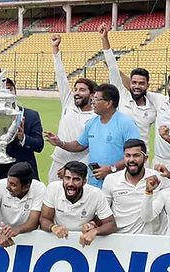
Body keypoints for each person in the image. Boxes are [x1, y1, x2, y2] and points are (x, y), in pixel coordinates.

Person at [45, 84, 140, 188]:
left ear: (108, 103)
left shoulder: (127, 123)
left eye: (96, 99)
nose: (92, 102)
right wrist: (60, 143)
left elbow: (135, 155)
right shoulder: (92, 123)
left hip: (119, 184)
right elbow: (79, 145)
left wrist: (111, 169)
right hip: (94, 183)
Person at [48, 33, 97, 182]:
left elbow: (91, 149)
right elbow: (61, 77)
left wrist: (72, 169)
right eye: (76, 89)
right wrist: (55, 50)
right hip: (58, 161)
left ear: (92, 94)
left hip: (79, 168)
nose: (77, 93)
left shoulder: (96, 117)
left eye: (82, 90)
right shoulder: (69, 103)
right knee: (51, 199)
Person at [99, 23, 157, 144]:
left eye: (141, 83)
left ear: (147, 86)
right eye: (134, 82)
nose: (137, 86)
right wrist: (105, 38)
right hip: (120, 154)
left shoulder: (154, 106)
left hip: (141, 157)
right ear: (129, 83)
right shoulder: (122, 95)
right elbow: (113, 67)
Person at [102, 138, 170, 234]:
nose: (131, 160)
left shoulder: (157, 177)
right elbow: (103, 212)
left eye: (136, 155)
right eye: (128, 156)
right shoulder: (111, 180)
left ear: (145, 158)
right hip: (119, 241)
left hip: (149, 242)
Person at [40, 161, 116, 247]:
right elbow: (44, 219)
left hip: (84, 243)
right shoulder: (53, 188)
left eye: (76, 179)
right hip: (57, 240)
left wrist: (94, 231)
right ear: (63, 178)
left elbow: (111, 224)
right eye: (67, 178)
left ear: (84, 182)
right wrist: (53, 227)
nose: (70, 183)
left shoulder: (96, 194)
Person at [0, 77, 44, 184]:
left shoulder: (31, 115)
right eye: (4, 90)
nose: (8, 94)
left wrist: (23, 138)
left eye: (10, 89)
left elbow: (39, 146)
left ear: (15, 91)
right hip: (2, 177)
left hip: (26, 176)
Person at [0, 162, 46, 247]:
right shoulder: (0, 185)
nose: (7, 187)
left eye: (13, 185)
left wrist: (16, 230)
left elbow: (33, 222)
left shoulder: (39, 188)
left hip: (29, 238)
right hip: (1, 232)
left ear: (26, 187)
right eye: (8, 181)